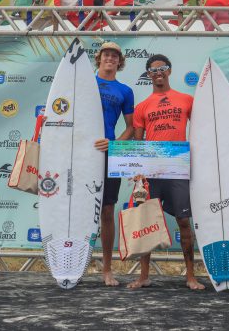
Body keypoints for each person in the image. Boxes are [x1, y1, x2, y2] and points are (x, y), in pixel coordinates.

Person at [127, 54, 229, 290]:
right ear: (148, 75)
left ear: (169, 71)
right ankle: (143, 276)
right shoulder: (141, 107)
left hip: (177, 168)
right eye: (153, 70)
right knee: (146, 222)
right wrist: (138, 172)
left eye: (163, 68)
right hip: (152, 171)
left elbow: (210, 125)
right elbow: (138, 143)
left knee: (183, 221)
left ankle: (190, 276)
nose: (158, 72)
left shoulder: (186, 100)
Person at [91, 41, 135, 287]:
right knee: (76, 208)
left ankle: (107, 269)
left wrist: (115, 145)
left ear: (120, 61)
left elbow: (131, 127)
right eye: (106, 54)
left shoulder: (125, 91)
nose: (110, 58)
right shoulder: (83, 82)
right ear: (99, 58)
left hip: (109, 153)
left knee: (107, 210)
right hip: (81, 153)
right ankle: (72, 263)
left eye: (114, 55)